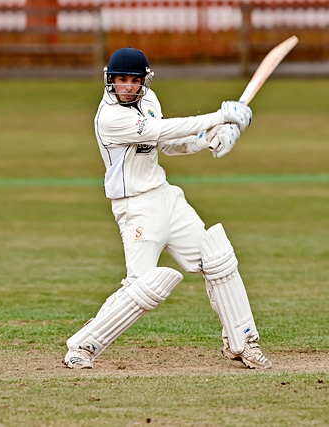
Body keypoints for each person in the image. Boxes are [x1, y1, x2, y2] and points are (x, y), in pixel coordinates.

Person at [63, 47, 272, 370]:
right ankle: (83, 345)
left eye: (134, 80)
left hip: (165, 196)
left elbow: (169, 144)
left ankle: (243, 343)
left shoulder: (149, 101)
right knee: (142, 285)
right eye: (121, 80)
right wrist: (221, 116)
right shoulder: (110, 117)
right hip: (135, 207)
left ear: (144, 81)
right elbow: (162, 130)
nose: (127, 87)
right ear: (110, 80)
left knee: (217, 259)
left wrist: (209, 139)